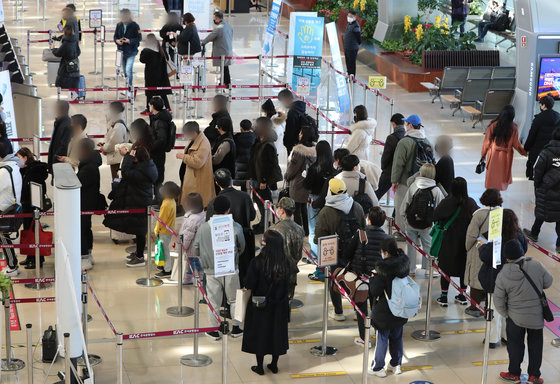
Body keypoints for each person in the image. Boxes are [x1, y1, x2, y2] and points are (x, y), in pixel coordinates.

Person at [494, 239, 553, 384]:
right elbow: (549, 281)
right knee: (535, 345)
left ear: (506, 257)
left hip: (515, 317)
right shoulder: (536, 264)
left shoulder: (503, 274)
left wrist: (507, 314)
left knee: (514, 345)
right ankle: (534, 376)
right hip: (536, 316)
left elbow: (498, 301)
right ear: (522, 252)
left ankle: (514, 373)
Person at [194, 195, 245, 340]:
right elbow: (242, 247)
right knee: (235, 299)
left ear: (212, 209)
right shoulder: (235, 226)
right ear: (228, 210)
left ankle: (214, 330)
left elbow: (196, 249)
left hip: (211, 270)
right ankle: (236, 328)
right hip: (230, 268)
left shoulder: (203, 228)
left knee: (213, 301)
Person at [314, 178, 365, 320]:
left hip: (335, 254)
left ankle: (338, 312)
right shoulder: (357, 207)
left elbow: (318, 237)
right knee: (357, 280)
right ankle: (358, 311)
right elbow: (363, 229)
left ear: (330, 191)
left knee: (335, 281)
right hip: (356, 253)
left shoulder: (325, 212)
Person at [242, 230, 291, 376]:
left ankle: (259, 366)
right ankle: (274, 365)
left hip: (260, 305)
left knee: (260, 334)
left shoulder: (257, 262)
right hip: (280, 305)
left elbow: (249, 283)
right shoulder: (286, 263)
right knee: (277, 333)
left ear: (267, 244)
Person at [479, 209, 526, 349]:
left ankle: (493, 339)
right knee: (509, 310)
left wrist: (481, 247)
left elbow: (485, 255)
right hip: (514, 280)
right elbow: (523, 251)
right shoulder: (520, 236)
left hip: (495, 279)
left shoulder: (496, 238)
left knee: (494, 309)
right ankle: (507, 337)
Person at [104, 147, 158, 267]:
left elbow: (126, 173)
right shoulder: (147, 166)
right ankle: (138, 253)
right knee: (139, 230)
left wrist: (127, 156)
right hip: (140, 201)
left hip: (140, 203)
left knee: (140, 230)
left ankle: (140, 257)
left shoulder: (142, 171)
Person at [344, 207, 390, 345]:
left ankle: (364, 339)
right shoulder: (387, 238)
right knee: (376, 307)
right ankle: (378, 334)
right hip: (378, 280)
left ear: (368, 219)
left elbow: (347, 254)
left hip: (360, 279)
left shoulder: (360, 235)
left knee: (361, 309)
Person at [433, 177, 478, 306]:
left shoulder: (447, 202)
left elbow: (435, 216)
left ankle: (444, 297)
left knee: (445, 269)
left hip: (449, 242)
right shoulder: (470, 203)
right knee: (464, 268)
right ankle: (463, 295)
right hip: (466, 243)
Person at [367, 238, 409, 377]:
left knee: (382, 338)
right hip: (401, 308)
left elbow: (375, 291)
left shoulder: (382, 269)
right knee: (397, 337)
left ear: (384, 252)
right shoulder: (404, 265)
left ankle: (378, 367)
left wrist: (373, 278)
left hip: (385, 310)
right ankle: (396, 364)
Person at [206, 169, 256, 284]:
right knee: (243, 276)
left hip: (223, 246)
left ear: (217, 183)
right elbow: (252, 216)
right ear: (231, 180)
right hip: (244, 241)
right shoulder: (244, 196)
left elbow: (210, 226)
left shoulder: (214, 202)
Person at [400, 164, 445, 275]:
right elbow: (441, 208)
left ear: (421, 173)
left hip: (411, 222)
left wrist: (404, 218)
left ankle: (411, 269)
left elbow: (405, 204)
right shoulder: (436, 190)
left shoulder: (414, 186)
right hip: (427, 225)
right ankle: (428, 269)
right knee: (428, 246)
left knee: (411, 245)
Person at [391, 114, 433, 234]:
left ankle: (402, 232)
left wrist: (394, 180)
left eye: (406, 124)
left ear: (410, 125)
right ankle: (418, 231)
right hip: (422, 182)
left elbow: (398, 164)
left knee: (402, 207)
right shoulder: (426, 141)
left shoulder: (404, 142)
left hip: (405, 181)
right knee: (418, 206)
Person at [464, 188, 503, 317]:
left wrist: (469, 247)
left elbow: (471, 235)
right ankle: (488, 307)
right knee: (491, 277)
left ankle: (475, 308)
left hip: (480, 249)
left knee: (476, 277)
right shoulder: (502, 213)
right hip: (497, 249)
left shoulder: (479, 214)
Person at [524, 127, 560, 253]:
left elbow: (537, 171)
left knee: (541, 212)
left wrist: (538, 185)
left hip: (546, 189)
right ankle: (559, 245)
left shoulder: (546, 152)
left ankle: (534, 234)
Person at [303, 141, 337, 264]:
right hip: (328, 200)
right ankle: (326, 257)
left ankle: (314, 257)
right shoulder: (333, 169)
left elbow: (306, 184)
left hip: (314, 199)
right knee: (327, 229)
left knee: (313, 229)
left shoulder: (313, 168)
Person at [248, 117, 282, 234]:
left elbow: (267, 165)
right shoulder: (259, 140)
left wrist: (263, 180)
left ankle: (265, 223)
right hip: (256, 175)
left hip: (262, 178)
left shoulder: (268, 144)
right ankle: (263, 221)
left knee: (263, 201)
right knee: (257, 199)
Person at [481, 105, 527, 191]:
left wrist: (483, 155)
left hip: (493, 155)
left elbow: (486, 143)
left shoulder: (493, 126)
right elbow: (516, 144)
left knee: (492, 175)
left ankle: (490, 194)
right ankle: (498, 195)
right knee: (501, 176)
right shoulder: (513, 128)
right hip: (506, 156)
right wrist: (524, 153)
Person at [15, 147, 48, 268]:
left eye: (18, 158)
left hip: (32, 207)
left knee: (34, 233)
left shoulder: (35, 170)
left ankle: (37, 259)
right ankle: (30, 257)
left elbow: (37, 189)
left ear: (25, 158)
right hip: (26, 205)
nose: (17, 161)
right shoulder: (26, 170)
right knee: (28, 232)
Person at [269, 197, 304, 300]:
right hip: (292, 270)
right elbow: (298, 254)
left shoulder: (274, 229)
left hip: (277, 272)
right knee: (289, 299)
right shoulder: (300, 229)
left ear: (282, 210)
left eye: (278, 207)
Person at [285, 125, 316, 235]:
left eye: (301, 133)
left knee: (297, 209)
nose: (299, 135)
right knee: (305, 208)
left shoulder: (299, 151)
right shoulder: (314, 150)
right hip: (308, 183)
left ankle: (299, 231)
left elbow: (293, 168)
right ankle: (307, 231)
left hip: (297, 183)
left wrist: (287, 176)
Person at [76, 138, 102, 271]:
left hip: (85, 202)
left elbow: (78, 183)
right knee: (86, 227)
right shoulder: (90, 163)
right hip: (89, 201)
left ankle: (84, 256)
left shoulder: (89, 167)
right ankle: (88, 253)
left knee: (82, 228)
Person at [177, 121, 215, 207]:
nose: (186, 136)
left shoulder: (203, 144)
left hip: (197, 180)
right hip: (190, 176)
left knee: (195, 205)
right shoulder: (194, 140)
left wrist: (183, 157)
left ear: (194, 132)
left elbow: (198, 163)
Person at [524, 95, 560, 180]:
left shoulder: (538, 118)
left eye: (540, 104)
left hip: (538, 151)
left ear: (543, 105)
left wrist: (526, 148)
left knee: (537, 174)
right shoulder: (558, 116)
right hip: (554, 151)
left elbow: (532, 135)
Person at [0, 154, 23, 276]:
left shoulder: (3, 171)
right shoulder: (14, 167)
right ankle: (12, 265)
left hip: (4, 210)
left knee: (4, 239)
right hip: (10, 207)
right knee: (5, 239)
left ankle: (12, 266)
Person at [153, 182, 181, 278]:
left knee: (164, 250)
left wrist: (157, 230)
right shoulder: (172, 201)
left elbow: (161, 220)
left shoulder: (166, 204)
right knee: (163, 248)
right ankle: (163, 265)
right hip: (169, 230)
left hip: (164, 231)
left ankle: (167, 270)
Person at [139, 34, 172, 114]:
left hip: (151, 75)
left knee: (149, 93)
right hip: (161, 75)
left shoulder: (147, 50)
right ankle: (168, 108)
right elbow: (167, 58)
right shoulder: (160, 49)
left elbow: (142, 60)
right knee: (162, 93)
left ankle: (148, 109)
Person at [177, 192, 205, 284]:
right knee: (194, 259)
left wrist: (182, 246)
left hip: (191, 245)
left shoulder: (192, 220)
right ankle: (201, 273)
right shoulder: (200, 215)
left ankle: (188, 277)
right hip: (196, 244)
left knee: (190, 261)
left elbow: (188, 236)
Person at [148, 96, 173, 202]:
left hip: (157, 153)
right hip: (158, 152)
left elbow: (161, 139)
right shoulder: (159, 117)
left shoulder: (159, 121)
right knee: (157, 175)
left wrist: (150, 147)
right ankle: (157, 197)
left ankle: (159, 199)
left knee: (157, 176)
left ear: (153, 106)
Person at [376, 113, 405, 200]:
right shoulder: (407, 136)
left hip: (389, 171)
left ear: (393, 123)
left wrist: (383, 167)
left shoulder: (391, 138)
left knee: (378, 193)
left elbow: (386, 156)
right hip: (402, 172)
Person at [201, 11, 233, 86]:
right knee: (225, 67)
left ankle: (225, 83)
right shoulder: (228, 26)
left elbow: (210, 37)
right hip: (228, 49)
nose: (214, 20)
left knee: (224, 68)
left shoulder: (219, 28)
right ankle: (226, 82)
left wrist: (202, 43)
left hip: (221, 51)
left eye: (214, 18)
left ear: (218, 19)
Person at [99, 101, 128, 180]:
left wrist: (104, 148)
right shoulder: (116, 121)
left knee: (117, 180)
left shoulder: (118, 125)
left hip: (117, 158)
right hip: (116, 156)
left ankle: (117, 192)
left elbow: (114, 143)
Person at [114, 8, 142, 87]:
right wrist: (117, 41)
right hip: (121, 51)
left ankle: (129, 87)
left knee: (128, 70)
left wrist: (129, 41)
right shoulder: (119, 25)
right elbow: (115, 36)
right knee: (124, 71)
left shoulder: (135, 26)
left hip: (131, 52)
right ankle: (127, 86)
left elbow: (139, 38)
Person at [278, 88, 307, 156]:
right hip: (300, 144)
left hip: (293, 146)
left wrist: (286, 143)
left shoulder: (292, 112)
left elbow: (290, 132)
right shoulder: (300, 108)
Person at [51, 25, 81, 90]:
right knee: (73, 86)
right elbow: (79, 52)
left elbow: (58, 53)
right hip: (75, 66)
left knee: (62, 84)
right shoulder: (75, 40)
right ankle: (73, 98)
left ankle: (66, 97)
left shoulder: (66, 43)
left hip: (66, 69)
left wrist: (53, 49)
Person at [47, 101, 72, 175]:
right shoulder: (60, 122)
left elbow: (64, 146)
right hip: (56, 161)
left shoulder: (66, 125)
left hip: (59, 163)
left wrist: (55, 158)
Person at [234, 119, 255, 190]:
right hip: (250, 164)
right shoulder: (254, 137)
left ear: (241, 128)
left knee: (243, 185)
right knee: (250, 184)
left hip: (240, 165)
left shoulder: (237, 138)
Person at [343, 10, 361, 77]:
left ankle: (352, 76)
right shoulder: (349, 24)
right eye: (348, 16)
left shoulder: (356, 26)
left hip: (353, 48)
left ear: (354, 17)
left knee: (352, 62)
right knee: (347, 61)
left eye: (350, 16)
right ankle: (348, 73)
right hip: (347, 46)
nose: (348, 17)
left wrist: (358, 43)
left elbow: (358, 37)